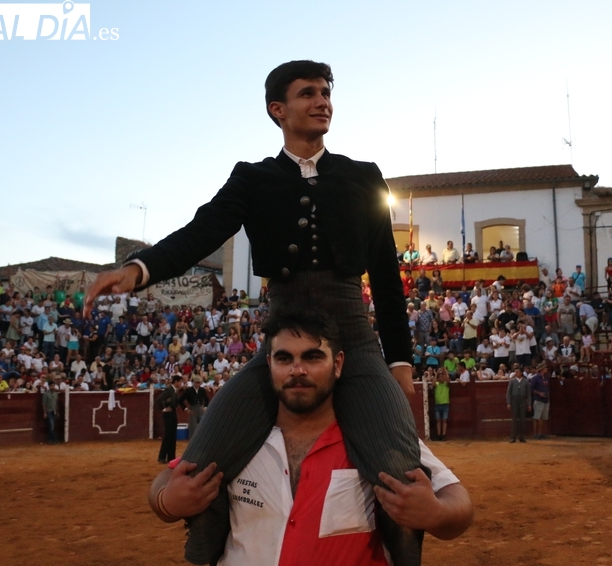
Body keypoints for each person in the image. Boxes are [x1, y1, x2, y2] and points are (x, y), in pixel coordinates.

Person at [84, 60, 421, 565]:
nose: (322, 100)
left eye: (327, 92)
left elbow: (387, 277)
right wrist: (139, 269)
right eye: (308, 93)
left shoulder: (363, 176)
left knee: (400, 475)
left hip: (354, 341)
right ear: (278, 110)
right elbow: (201, 231)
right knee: (199, 467)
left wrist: (399, 360)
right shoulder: (253, 179)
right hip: (280, 348)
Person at [148, 308, 472, 565]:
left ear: (338, 364)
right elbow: (168, 478)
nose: (297, 369)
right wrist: (167, 502)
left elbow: (459, 504)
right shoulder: (242, 430)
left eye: (313, 357)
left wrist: (436, 513)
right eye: (284, 358)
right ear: (269, 365)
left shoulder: (374, 429)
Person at [158, 374, 180, 463]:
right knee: (168, 435)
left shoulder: (173, 390)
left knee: (172, 435)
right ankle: (162, 457)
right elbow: (159, 400)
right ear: (176, 382)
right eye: (180, 382)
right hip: (168, 415)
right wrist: (164, 409)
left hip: (173, 414)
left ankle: (171, 457)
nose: (181, 383)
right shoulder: (169, 390)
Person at [179, 374, 209, 439]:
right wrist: (186, 409)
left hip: (201, 409)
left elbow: (207, 399)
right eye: (196, 383)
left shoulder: (202, 390)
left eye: (199, 383)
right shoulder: (188, 390)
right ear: (193, 382)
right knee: (193, 428)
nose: (197, 384)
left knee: (203, 426)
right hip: (192, 409)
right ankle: (193, 443)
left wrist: (205, 407)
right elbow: (180, 400)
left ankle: (202, 440)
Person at [506, 366, 531, 443]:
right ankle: (513, 437)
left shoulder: (526, 381)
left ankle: (521, 437)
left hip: (523, 401)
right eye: (515, 372)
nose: (516, 373)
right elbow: (508, 393)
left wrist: (529, 404)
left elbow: (528, 394)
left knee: (522, 420)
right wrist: (509, 403)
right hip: (514, 401)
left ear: (521, 373)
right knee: (514, 420)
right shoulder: (512, 381)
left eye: (517, 372)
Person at [530, 364, 550, 439]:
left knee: (543, 417)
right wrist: (539, 393)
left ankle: (540, 433)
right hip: (538, 399)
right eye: (545, 368)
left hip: (545, 399)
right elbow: (531, 389)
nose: (546, 369)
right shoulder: (535, 378)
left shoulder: (546, 377)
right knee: (537, 417)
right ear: (541, 369)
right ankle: (535, 434)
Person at [433, 367, 450, 441]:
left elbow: (448, 380)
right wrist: (436, 375)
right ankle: (439, 435)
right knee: (439, 421)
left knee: (444, 420)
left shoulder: (446, 384)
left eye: (443, 376)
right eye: (440, 376)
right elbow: (433, 383)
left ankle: (443, 435)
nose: (442, 378)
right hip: (438, 404)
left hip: (445, 404)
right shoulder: (436, 384)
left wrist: (445, 372)